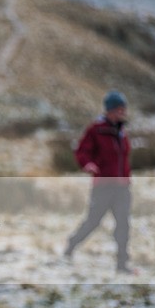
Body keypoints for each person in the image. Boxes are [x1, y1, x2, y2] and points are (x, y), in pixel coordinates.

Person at [65, 90, 134, 274]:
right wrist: (88, 164)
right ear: (110, 110)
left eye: (123, 109)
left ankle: (122, 264)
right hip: (103, 186)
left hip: (122, 187)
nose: (122, 112)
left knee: (123, 224)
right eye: (119, 109)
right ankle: (71, 244)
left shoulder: (122, 131)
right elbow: (81, 151)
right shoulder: (96, 130)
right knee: (93, 222)